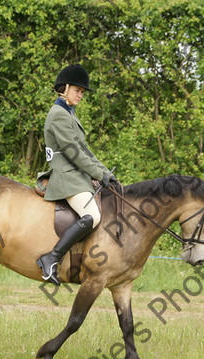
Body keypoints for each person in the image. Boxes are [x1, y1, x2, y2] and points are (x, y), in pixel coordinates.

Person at [37, 64, 117, 285]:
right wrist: (99, 175)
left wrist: (105, 173)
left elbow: (85, 151)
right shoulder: (58, 115)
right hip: (66, 175)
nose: (81, 95)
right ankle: (51, 258)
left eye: (82, 92)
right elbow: (74, 154)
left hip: (76, 173)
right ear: (65, 89)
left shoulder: (68, 114)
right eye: (77, 91)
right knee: (93, 215)